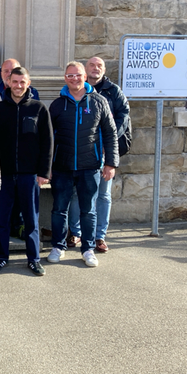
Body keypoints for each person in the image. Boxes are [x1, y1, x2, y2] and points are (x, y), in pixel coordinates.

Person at [48, 62, 119, 268]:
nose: (74, 79)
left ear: (84, 76)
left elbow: (110, 133)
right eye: (69, 76)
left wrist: (111, 163)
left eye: (77, 75)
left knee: (88, 210)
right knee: (59, 209)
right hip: (62, 166)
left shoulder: (99, 102)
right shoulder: (57, 105)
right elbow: (48, 138)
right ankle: (58, 246)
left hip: (90, 166)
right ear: (65, 78)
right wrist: (47, 166)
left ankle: (88, 248)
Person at [0, 65, 53, 276]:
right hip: (5, 175)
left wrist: (44, 172)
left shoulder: (38, 108)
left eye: (22, 82)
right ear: (8, 82)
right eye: (14, 82)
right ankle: (1, 257)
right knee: (2, 219)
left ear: (28, 84)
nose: (18, 86)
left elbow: (47, 142)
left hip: (30, 175)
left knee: (31, 219)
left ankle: (34, 258)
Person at [66, 56, 131, 253]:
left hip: (104, 153)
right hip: (83, 153)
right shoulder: (76, 91)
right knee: (78, 193)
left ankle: (99, 236)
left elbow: (122, 117)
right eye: (92, 65)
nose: (96, 68)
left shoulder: (113, 92)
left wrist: (107, 145)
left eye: (99, 66)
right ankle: (75, 232)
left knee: (103, 194)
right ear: (86, 71)